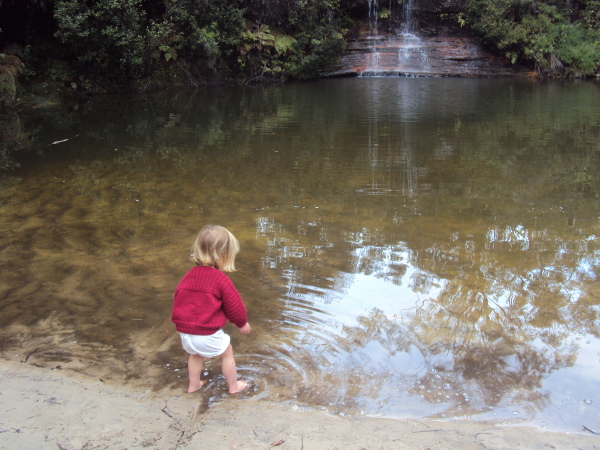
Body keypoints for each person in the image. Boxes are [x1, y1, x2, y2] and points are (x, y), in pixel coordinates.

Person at [172, 225, 251, 394]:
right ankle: (234, 386)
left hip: (186, 334)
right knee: (227, 354)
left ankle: (194, 385)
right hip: (206, 333)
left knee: (196, 355)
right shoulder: (220, 279)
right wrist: (242, 324)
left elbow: (178, 297)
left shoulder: (189, 275)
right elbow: (234, 306)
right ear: (224, 255)